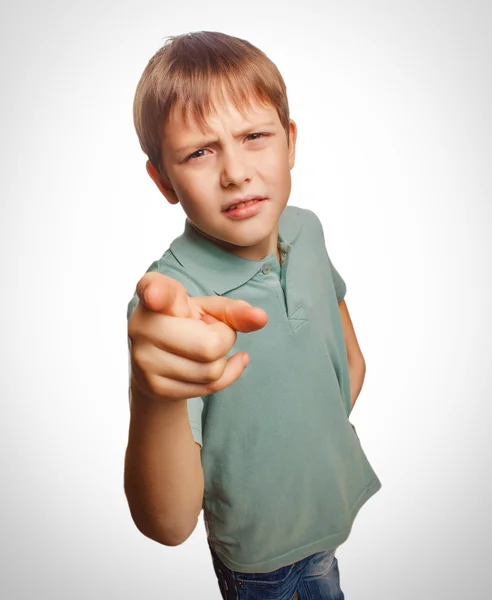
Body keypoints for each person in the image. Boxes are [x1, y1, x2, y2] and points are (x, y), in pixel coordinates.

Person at [124, 30, 382, 600]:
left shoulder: (305, 229)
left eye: (254, 136)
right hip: (261, 562)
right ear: (163, 179)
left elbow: (347, 360)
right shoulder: (174, 299)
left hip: (327, 518)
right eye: (199, 151)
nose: (236, 171)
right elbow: (168, 524)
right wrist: (153, 393)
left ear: (290, 143)